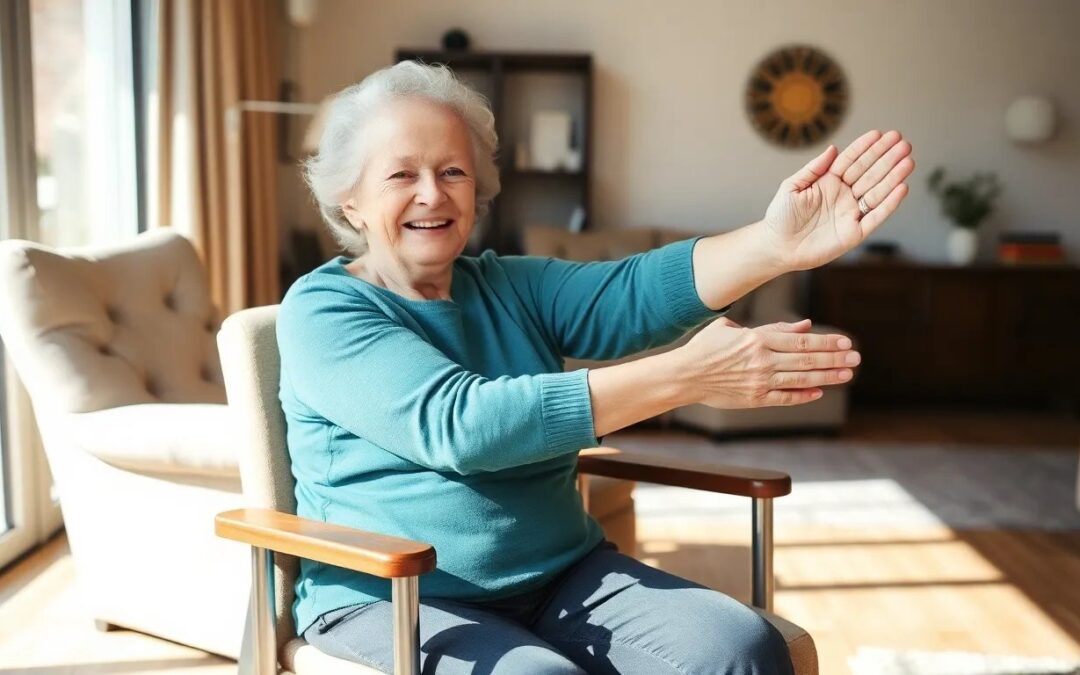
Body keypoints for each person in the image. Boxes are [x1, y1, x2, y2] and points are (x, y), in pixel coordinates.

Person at [278, 60, 914, 675]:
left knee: (742, 649)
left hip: (562, 576)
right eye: (401, 175)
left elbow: (632, 294)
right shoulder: (323, 309)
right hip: (397, 596)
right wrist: (686, 376)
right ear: (350, 200)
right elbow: (460, 425)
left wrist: (773, 245)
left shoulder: (507, 285)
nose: (432, 193)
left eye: (452, 171)